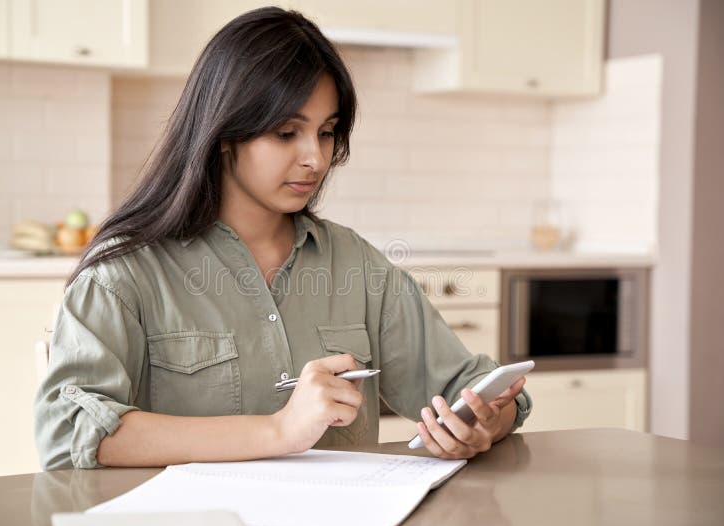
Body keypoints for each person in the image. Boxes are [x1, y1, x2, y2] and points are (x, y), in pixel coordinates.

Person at [34, 6, 532, 470]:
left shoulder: (355, 264)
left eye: (326, 132)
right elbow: (68, 433)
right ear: (225, 132)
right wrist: (279, 430)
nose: (315, 158)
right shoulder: (126, 273)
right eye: (286, 133)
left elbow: (472, 390)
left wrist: (487, 425)